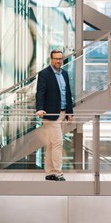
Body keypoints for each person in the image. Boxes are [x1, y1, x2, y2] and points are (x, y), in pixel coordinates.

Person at [36, 49, 74, 181]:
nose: (58, 61)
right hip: (50, 114)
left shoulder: (64, 73)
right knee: (58, 143)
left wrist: (69, 112)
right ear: (51, 59)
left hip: (63, 113)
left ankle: (49, 172)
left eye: (60, 58)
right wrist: (40, 109)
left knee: (52, 144)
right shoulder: (44, 74)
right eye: (56, 59)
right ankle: (58, 173)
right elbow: (40, 93)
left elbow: (67, 93)